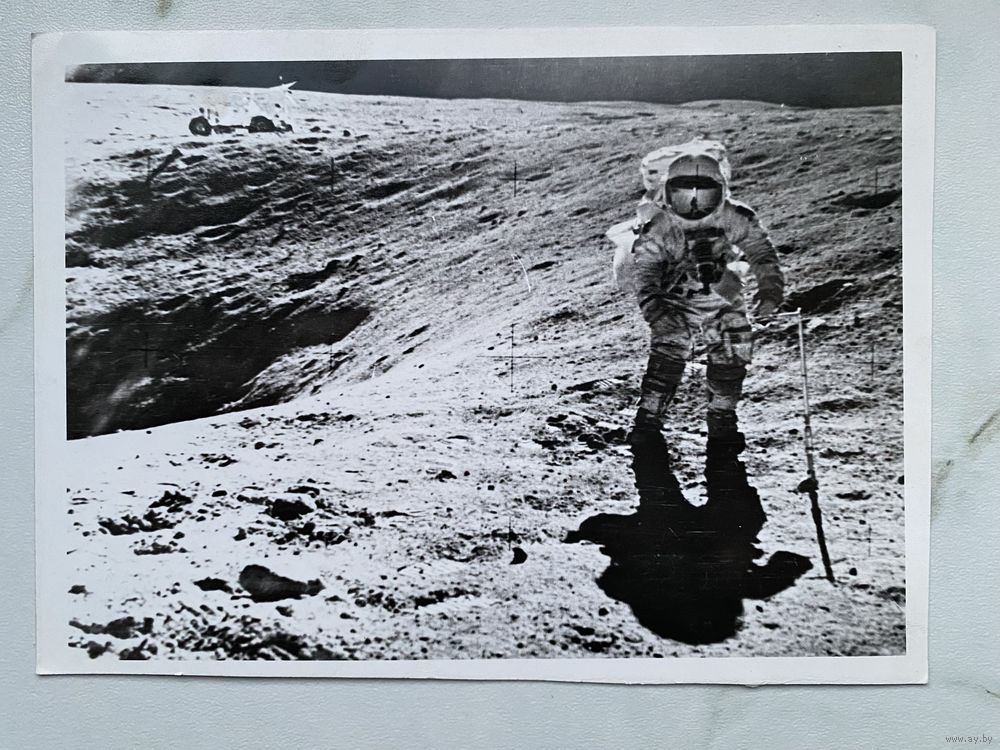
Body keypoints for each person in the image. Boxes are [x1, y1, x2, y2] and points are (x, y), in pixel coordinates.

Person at [623, 139, 784, 452]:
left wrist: (769, 292)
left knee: (731, 350)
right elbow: (645, 273)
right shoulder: (662, 226)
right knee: (668, 354)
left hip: (721, 294)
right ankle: (647, 420)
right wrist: (656, 309)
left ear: (720, 191)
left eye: (704, 194)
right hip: (675, 297)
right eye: (684, 195)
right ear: (669, 193)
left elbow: (762, 254)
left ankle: (722, 418)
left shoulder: (735, 217)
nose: (695, 205)